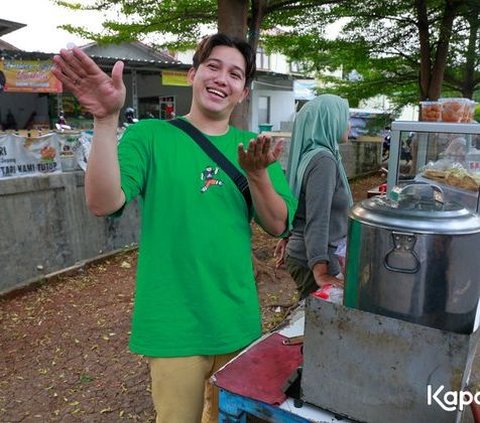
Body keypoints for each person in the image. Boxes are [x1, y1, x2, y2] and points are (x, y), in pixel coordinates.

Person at [52, 33, 296, 423]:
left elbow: (277, 224)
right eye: (212, 67)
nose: (221, 78)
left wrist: (257, 175)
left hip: (237, 321)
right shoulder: (149, 136)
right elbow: (103, 202)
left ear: (244, 92)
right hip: (172, 324)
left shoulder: (254, 147)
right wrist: (105, 118)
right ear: (192, 75)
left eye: (234, 74)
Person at [274, 94, 353, 300]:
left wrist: (288, 235)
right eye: (345, 117)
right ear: (329, 120)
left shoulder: (313, 154)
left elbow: (300, 204)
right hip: (313, 259)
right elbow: (317, 218)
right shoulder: (323, 160)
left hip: (307, 253)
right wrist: (321, 272)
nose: (349, 124)